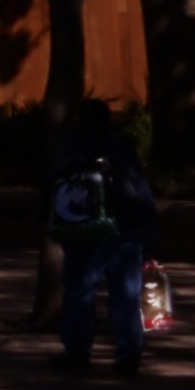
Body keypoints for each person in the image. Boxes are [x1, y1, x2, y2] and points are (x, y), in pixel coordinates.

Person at [50, 110, 161, 375]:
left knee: (79, 292)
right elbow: (141, 193)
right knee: (126, 295)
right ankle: (128, 356)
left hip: (84, 233)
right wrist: (149, 236)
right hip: (125, 231)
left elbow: (52, 187)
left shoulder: (72, 150)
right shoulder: (121, 149)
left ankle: (77, 353)